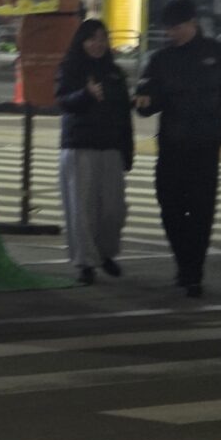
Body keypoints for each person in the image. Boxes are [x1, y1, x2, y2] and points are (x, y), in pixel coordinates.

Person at [134, 0, 221, 298]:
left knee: (201, 212)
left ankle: (192, 272)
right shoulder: (162, 60)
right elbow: (147, 95)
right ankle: (184, 262)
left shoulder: (218, 54)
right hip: (172, 145)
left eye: (177, 27)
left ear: (193, 23)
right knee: (170, 207)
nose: (173, 33)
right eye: (169, 28)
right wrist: (144, 102)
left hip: (206, 146)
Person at [55, 19, 134, 286]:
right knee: (82, 209)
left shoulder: (115, 73)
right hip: (80, 147)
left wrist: (128, 151)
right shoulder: (71, 68)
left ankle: (105, 253)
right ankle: (85, 262)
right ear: (82, 42)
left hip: (110, 147)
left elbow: (124, 115)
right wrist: (86, 94)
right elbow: (64, 101)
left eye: (102, 38)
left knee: (114, 209)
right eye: (91, 38)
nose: (97, 44)